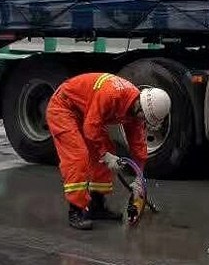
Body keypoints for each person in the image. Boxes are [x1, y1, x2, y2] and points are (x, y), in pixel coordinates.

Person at [44, 72, 171, 230]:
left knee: (107, 149)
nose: (142, 121)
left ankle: (97, 206)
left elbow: (138, 145)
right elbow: (91, 128)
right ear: (141, 105)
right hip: (63, 107)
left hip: (86, 113)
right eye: (143, 117)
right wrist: (105, 155)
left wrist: (140, 179)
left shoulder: (136, 109)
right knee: (78, 156)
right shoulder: (112, 95)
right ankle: (76, 210)